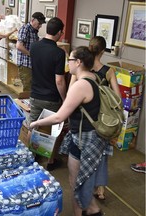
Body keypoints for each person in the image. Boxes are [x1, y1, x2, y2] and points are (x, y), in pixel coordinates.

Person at [30, 46, 106, 216]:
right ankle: (91, 210)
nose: (68, 63)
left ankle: (91, 210)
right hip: (94, 137)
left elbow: (59, 116)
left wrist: (36, 123)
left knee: (75, 182)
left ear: (78, 62)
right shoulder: (95, 77)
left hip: (84, 139)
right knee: (82, 181)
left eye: (70, 60)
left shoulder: (81, 86)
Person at [70, 36, 121, 201]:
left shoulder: (83, 69)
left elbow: (71, 91)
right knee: (103, 155)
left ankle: (84, 188)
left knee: (82, 156)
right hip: (103, 120)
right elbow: (117, 98)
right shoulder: (109, 71)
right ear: (103, 51)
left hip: (86, 119)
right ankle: (100, 190)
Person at [29, 17, 67, 171]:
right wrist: (65, 99)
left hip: (35, 95)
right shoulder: (59, 53)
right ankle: (51, 161)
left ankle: (32, 156)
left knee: (34, 126)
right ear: (59, 33)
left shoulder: (34, 46)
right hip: (51, 98)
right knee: (54, 131)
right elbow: (60, 81)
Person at [16, 12, 46, 93]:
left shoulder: (34, 31)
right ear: (33, 20)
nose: (40, 26)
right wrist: (31, 54)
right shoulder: (25, 29)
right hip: (25, 65)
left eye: (41, 24)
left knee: (32, 87)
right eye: (39, 23)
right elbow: (19, 46)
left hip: (31, 64)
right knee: (27, 89)